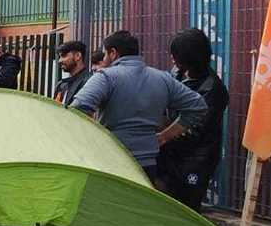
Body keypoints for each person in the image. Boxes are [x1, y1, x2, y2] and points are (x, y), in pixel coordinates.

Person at [71, 30, 209, 183]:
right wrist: (165, 136)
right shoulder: (162, 78)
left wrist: (92, 139)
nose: (103, 60)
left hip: (112, 161)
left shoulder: (106, 77)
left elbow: (78, 107)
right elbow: (198, 106)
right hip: (147, 165)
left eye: (104, 55)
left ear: (113, 53)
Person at [159, 28, 230, 211]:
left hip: (195, 158)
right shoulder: (176, 73)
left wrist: (164, 127)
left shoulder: (214, 90)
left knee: (186, 207)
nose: (173, 60)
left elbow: (196, 131)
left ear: (189, 58)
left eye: (176, 56)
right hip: (169, 150)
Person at [54, 40, 92, 105]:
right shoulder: (61, 85)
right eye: (60, 57)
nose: (60, 60)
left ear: (78, 56)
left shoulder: (90, 82)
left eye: (64, 56)